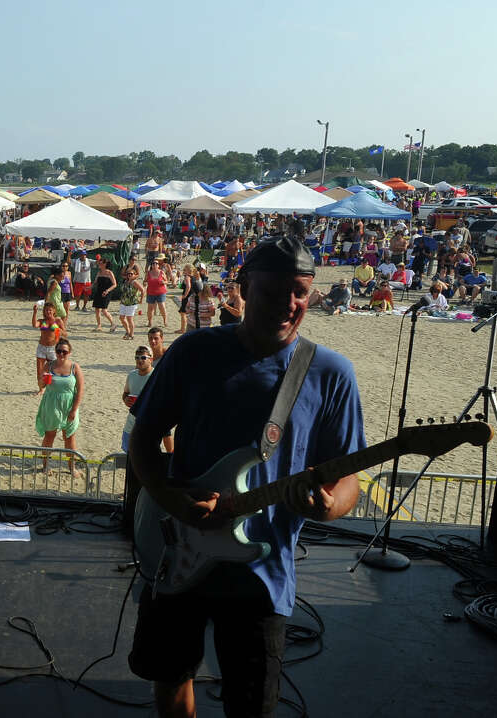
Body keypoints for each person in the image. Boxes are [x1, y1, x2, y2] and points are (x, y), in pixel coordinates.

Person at [127, 233, 365, 718]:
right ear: (241, 289)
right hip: (178, 547)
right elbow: (143, 438)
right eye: (273, 290)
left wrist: (329, 505)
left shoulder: (331, 374)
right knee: (171, 676)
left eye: (300, 291)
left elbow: (349, 480)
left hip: (262, 570)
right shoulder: (192, 352)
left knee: (252, 702)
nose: (289, 303)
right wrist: (171, 500)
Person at [35, 339, 84, 475]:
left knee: (69, 436)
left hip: (69, 404)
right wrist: (42, 381)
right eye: (59, 351)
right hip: (51, 404)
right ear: (55, 352)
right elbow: (41, 386)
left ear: (69, 352)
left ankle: (72, 467)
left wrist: (74, 409)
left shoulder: (75, 367)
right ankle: (45, 466)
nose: (61, 354)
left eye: (64, 351)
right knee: (49, 435)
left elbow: (80, 390)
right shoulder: (49, 366)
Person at [121, 346, 154, 452]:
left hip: (148, 426)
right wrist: (126, 399)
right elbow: (125, 393)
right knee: (128, 456)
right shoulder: (132, 375)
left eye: (143, 358)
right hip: (130, 425)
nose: (140, 360)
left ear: (151, 359)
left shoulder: (156, 376)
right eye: (137, 357)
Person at [33, 302, 66, 393]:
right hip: (41, 348)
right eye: (46, 310)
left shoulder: (58, 321)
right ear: (44, 311)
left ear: (54, 311)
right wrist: (35, 312)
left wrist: (59, 331)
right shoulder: (42, 321)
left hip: (52, 348)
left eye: (50, 310)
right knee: (40, 370)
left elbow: (65, 334)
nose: (48, 312)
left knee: (54, 370)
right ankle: (41, 389)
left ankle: (53, 388)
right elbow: (34, 325)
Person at [91, 255, 118, 332]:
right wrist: (90, 287)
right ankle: (99, 325)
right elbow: (95, 282)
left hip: (106, 293)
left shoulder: (109, 273)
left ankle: (113, 324)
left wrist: (107, 291)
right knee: (97, 309)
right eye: (99, 263)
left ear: (105, 264)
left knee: (104, 310)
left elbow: (115, 284)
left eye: (101, 263)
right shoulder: (99, 272)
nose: (99, 264)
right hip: (99, 292)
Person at [118, 268, 145, 340]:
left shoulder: (135, 282)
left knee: (129, 319)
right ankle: (128, 331)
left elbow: (142, 290)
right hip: (124, 302)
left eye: (131, 274)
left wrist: (141, 299)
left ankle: (131, 334)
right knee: (121, 318)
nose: (129, 275)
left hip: (131, 302)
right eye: (128, 274)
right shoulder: (125, 281)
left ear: (134, 275)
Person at [145, 256, 170, 328]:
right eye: (153, 264)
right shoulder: (148, 273)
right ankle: (150, 322)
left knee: (162, 307)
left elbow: (167, 281)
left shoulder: (161, 272)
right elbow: (145, 281)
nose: (154, 265)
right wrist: (144, 283)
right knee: (150, 308)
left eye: (156, 263)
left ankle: (165, 321)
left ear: (158, 265)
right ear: (151, 265)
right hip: (151, 292)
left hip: (160, 292)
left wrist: (164, 282)